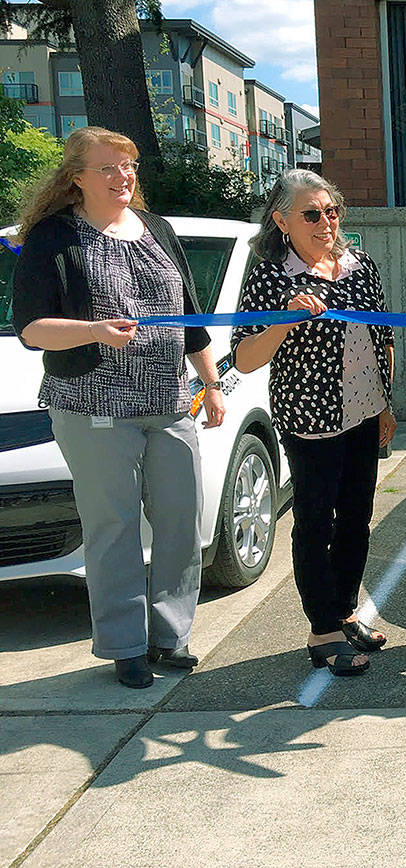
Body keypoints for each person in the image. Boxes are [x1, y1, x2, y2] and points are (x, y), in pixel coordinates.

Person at [12, 127, 225, 689]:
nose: (122, 176)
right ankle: (125, 645)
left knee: (181, 521)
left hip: (169, 400)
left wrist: (211, 382)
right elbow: (31, 328)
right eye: (108, 168)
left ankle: (171, 636)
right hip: (93, 405)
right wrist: (93, 331)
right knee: (114, 527)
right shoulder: (53, 237)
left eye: (128, 165)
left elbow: (190, 316)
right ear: (76, 177)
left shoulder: (156, 228)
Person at [232, 170, 397, 677]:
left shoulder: (359, 264)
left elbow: (382, 335)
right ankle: (321, 629)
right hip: (311, 419)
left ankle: (344, 610)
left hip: (364, 411)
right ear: (281, 220)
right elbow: (243, 358)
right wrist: (286, 318)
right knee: (314, 521)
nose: (326, 222)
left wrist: (386, 403)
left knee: (355, 517)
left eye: (331, 211)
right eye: (311, 214)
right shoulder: (269, 275)